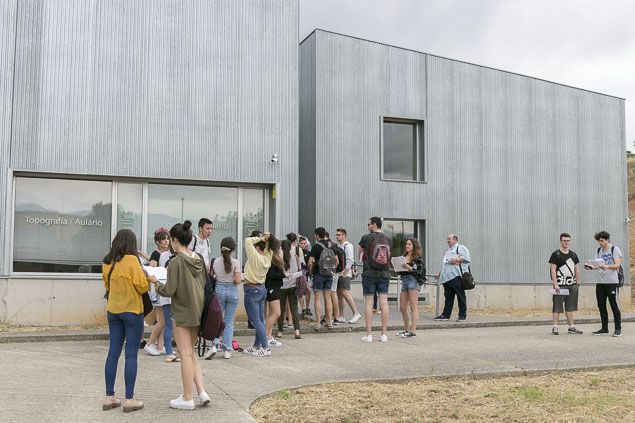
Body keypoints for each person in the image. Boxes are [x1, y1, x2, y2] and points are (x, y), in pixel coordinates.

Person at [153, 220, 210, 410]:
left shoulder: (176, 262)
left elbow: (169, 290)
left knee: (184, 354)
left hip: (182, 312)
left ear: (175, 240)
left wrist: (155, 282)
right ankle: (201, 392)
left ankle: (187, 397)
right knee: (190, 352)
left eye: (170, 240)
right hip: (198, 310)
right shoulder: (198, 258)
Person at [102, 229, 155, 413]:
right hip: (132, 312)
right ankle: (129, 400)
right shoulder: (132, 260)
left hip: (113, 311)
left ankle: (109, 397)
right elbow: (142, 287)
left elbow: (107, 285)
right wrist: (148, 278)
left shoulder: (107, 261)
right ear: (131, 243)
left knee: (113, 353)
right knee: (131, 355)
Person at [358, 217, 391, 342]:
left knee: (369, 303)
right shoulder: (388, 239)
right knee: (384, 303)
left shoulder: (365, 238)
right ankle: (384, 335)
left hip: (369, 274)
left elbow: (360, 256)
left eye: (369, 224)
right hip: (384, 274)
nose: (368, 227)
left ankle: (369, 335)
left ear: (375, 225)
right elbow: (389, 256)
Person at [144, 228, 174, 360]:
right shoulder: (157, 254)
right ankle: (150, 343)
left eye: (167, 239)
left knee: (164, 321)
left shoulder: (165, 254)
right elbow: (151, 268)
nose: (166, 241)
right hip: (159, 290)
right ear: (157, 242)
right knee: (162, 320)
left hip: (163, 289)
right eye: (163, 239)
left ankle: (160, 346)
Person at [585, 231, 622, 337]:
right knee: (601, 305)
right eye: (599, 241)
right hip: (601, 282)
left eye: (602, 241)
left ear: (607, 240)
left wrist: (607, 266)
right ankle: (604, 328)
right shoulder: (599, 250)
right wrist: (590, 267)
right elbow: (597, 265)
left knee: (614, 305)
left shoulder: (614, 249)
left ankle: (618, 329)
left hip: (612, 282)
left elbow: (617, 265)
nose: (600, 243)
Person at [243, 232, 274, 357]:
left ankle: (266, 347)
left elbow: (247, 240)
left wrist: (261, 238)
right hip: (261, 289)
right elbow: (269, 249)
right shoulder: (268, 256)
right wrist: (267, 240)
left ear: (257, 247)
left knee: (256, 321)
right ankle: (257, 345)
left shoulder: (255, 256)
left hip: (252, 289)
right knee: (260, 320)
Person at [211, 237, 242, 359]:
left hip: (219, 290)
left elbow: (213, 276)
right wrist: (233, 278)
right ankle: (227, 349)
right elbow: (238, 280)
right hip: (232, 291)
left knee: (217, 320)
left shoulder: (215, 261)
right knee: (229, 321)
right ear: (233, 249)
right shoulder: (236, 262)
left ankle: (214, 345)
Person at [547, 233, 583, 335]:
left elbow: (577, 269)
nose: (566, 242)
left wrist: (577, 283)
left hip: (572, 284)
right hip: (560, 285)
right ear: (561, 241)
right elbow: (553, 270)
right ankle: (555, 327)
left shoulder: (573, 254)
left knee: (570, 306)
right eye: (564, 241)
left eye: (568, 241)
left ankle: (571, 327)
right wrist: (555, 284)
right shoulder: (556, 254)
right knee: (557, 306)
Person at [433, 234, 471, 322]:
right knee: (448, 297)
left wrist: (456, 260)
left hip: (456, 276)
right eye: (447, 239)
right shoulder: (448, 251)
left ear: (455, 239)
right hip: (447, 278)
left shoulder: (460, 248)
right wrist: (439, 274)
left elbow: (467, 258)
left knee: (460, 296)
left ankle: (462, 315)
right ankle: (445, 315)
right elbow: (445, 264)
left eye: (449, 239)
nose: (448, 240)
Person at [307, 227, 338, 331]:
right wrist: (331, 270)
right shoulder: (332, 245)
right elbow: (337, 261)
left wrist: (310, 271)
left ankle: (318, 323)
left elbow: (310, 262)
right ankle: (329, 322)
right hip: (329, 275)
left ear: (317, 235)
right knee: (328, 299)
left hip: (318, 274)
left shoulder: (316, 246)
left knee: (317, 299)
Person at [396, 238, 425, 337]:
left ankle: (413, 331)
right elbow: (401, 272)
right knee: (403, 307)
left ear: (414, 246)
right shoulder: (403, 257)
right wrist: (397, 267)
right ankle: (406, 329)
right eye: (406, 244)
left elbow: (420, 272)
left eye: (409, 244)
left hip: (413, 281)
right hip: (404, 281)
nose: (407, 246)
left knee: (413, 306)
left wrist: (410, 268)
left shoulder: (417, 258)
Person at [335, 228, 361, 323]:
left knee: (345, 292)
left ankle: (356, 313)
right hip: (339, 273)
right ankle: (341, 316)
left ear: (344, 235)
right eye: (336, 235)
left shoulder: (348, 246)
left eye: (339, 235)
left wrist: (345, 272)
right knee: (339, 294)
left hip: (345, 273)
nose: (337, 236)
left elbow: (350, 259)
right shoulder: (338, 246)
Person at [277, 240, 302, 339]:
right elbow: (300, 269)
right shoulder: (295, 257)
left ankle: (280, 331)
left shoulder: (278, 258)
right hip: (293, 285)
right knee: (294, 309)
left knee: (281, 309)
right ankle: (297, 331)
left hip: (282, 286)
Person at [265, 238, 287, 347]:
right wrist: (284, 275)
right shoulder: (271, 258)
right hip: (272, 287)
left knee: (272, 313)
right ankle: (264, 336)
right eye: (279, 247)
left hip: (276, 286)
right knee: (277, 313)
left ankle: (269, 337)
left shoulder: (276, 257)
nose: (280, 249)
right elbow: (271, 274)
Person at [298, 236, 313, 317]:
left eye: (304, 243)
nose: (303, 245)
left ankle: (307, 308)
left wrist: (310, 272)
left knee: (308, 291)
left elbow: (310, 264)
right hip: (299, 273)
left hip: (307, 274)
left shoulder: (309, 252)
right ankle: (303, 308)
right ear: (298, 244)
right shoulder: (297, 252)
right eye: (301, 243)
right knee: (300, 291)